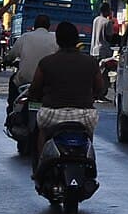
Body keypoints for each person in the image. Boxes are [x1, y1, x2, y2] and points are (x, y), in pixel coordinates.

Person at [27, 21, 106, 155]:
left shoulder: (46, 62)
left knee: (42, 131)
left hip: (52, 114)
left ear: (57, 40)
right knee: (89, 132)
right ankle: (88, 157)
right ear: (77, 40)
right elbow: (100, 89)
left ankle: (41, 161)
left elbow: (34, 89)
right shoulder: (91, 62)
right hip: (84, 115)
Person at [13, 14, 58, 94]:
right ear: (49, 26)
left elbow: (11, 55)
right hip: (47, 82)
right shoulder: (55, 39)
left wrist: (6, 61)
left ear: (35, 25)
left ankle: (11, 102)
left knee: (13, 81)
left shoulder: (25, 37)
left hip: (24, 81)